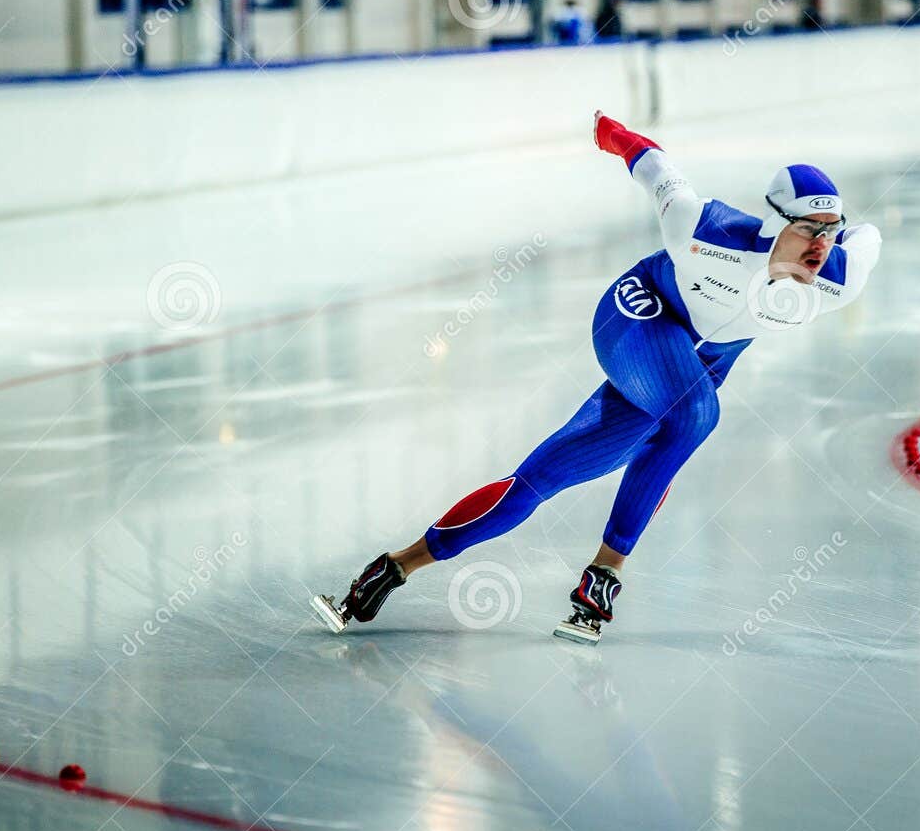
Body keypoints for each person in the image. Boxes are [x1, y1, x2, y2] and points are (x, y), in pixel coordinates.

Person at [312, 112, 883, 643]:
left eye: (832, 231)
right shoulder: (705, 231)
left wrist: (848, 234)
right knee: (696, 411)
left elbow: (868, 240)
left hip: (691, 364)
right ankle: (607, 569)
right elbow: (657, 170)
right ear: (776, 222)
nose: (822, 245)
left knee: (540, 479)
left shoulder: (837, 277)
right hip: (638, 317)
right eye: (810, 228)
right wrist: (609, 132)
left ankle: (392, 568)